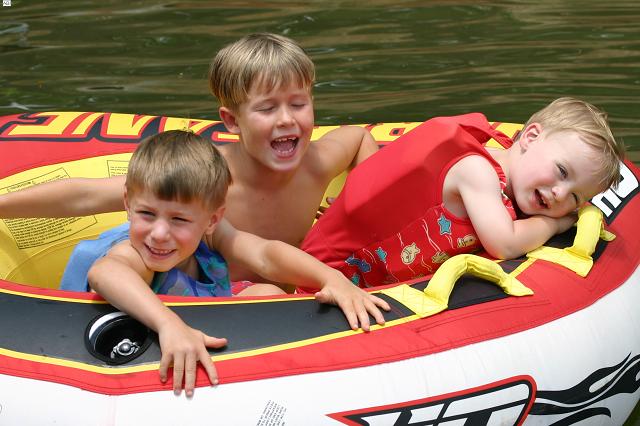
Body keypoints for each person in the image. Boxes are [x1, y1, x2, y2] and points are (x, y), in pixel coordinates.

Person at [0, 33, 379, 287]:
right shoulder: (208, 173)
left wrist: (358, 203)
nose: (286, 119)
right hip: (204, 292)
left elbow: (360, 137)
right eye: (267, 109)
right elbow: (86, 196)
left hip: (280, 287)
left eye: (298, 104)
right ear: (232, 120)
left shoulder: (318, 162)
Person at [68, 129, 389, 397]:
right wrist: (167, 324)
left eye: (179, 219)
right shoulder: (139, 254)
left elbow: (265, 255)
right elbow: (105, 271)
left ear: (212, 219)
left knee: (269, 293)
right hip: (148, 336)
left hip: (205, 321)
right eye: (147, 214)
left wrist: (331, 278)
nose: (160, 233)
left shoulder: (212, 236)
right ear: (128, 204)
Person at [299, 97, 625, 289]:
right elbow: (505, 243)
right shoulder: (477, 171)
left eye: (576, 198)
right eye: (562, 172)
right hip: (333, 273)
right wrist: (557, 223)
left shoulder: (505, 182)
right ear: (529, 137)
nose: (559, 194)